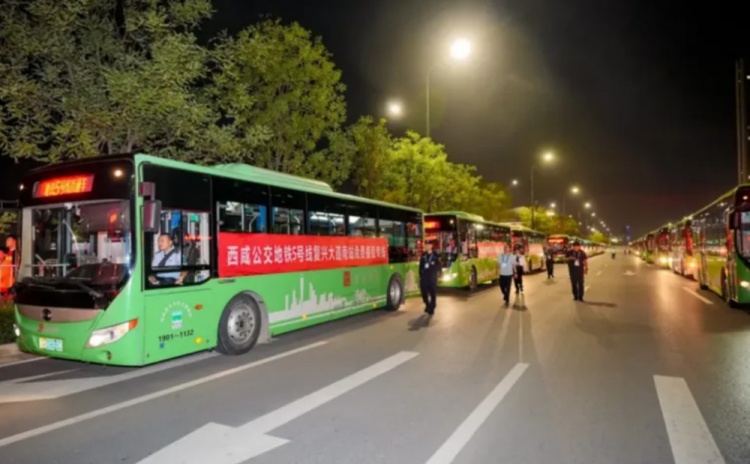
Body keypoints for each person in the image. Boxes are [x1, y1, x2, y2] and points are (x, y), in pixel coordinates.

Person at [419, 241, 441, 315]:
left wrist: (439, 274)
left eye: (429, 245)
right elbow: (421, 265)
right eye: (426, 245)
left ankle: (432, 306)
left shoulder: (435, 255)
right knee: (424, 292)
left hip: (432, 276)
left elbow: (439, 265)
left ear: (431, 246)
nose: (427, 246)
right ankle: (427, 304)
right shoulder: (423, 255)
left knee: (432, 293)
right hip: (425, 276)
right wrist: (420, 274)